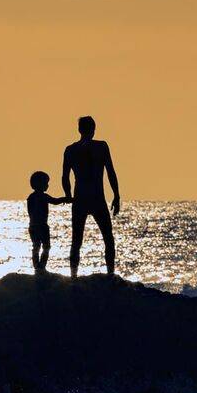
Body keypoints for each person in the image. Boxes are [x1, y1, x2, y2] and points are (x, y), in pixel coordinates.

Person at [62, 115, 121, 277]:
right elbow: (111, 172)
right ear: (93, 130)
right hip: (96, 199)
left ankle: (73, 276)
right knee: (108, 238)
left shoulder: (71, 150)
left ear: (79, 130)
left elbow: (65, 177)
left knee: (77, 241)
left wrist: (68, 195)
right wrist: (117, 195)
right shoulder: (101, 147)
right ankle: (110, 274)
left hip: (80, 199)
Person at [26, 171, 70, 273]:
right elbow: (55, 201)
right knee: (46, 246)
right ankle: (41, 266)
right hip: (41, 226)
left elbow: (30, 212)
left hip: (32, 226)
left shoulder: (31, 197)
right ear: (40, 184)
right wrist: (67, 199)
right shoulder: (43, 196)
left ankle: (37, 266)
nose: (47, 185)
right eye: (46, 183)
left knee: (36, 246)